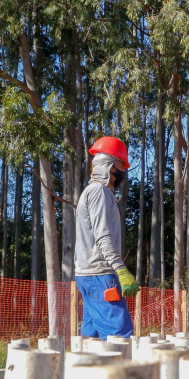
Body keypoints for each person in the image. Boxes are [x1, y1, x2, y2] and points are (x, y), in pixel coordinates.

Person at [74, 136, 139, 338]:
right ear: (110, 166)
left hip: (88, 275)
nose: (123, 172)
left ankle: (82, 369)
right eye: (121, 166)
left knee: (91, 337)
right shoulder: (99, 192)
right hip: (100, 274)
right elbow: (102, 235)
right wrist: (120, 269)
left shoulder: (95, 192)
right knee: (118, 335)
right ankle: (116, 371)